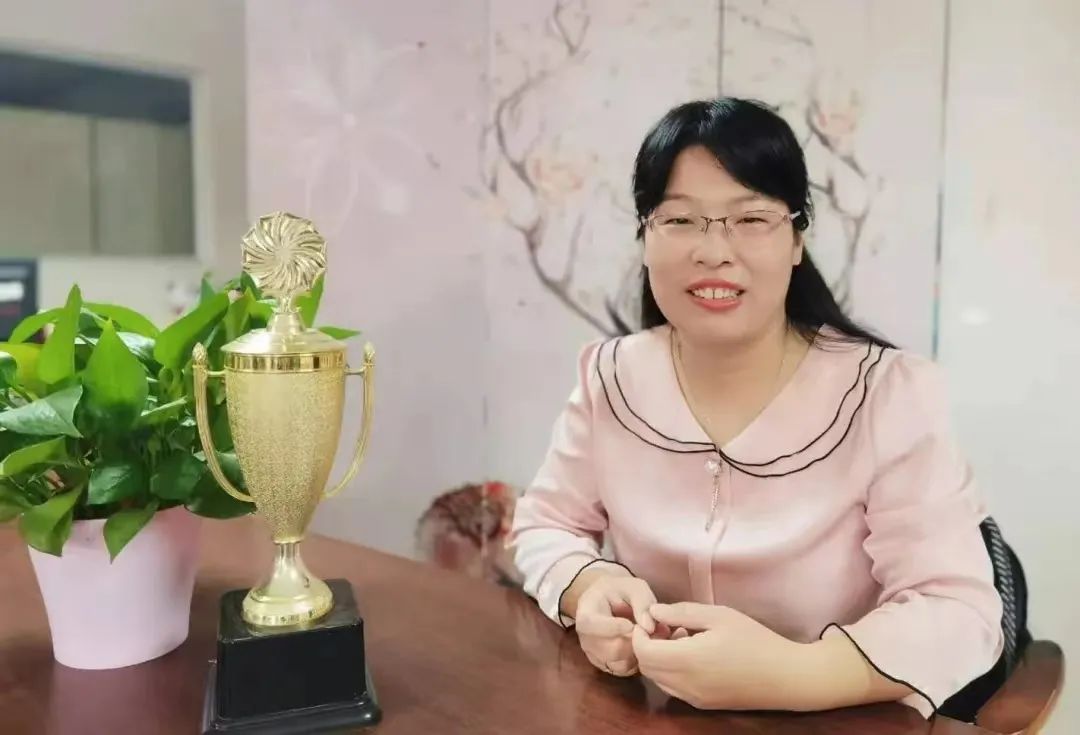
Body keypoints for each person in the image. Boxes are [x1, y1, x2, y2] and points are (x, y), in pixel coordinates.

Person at [508, 97, 1005, 720]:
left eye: (751, 219)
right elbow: (545, 524)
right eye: (680, 220)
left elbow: (957, 608)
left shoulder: (888, 394)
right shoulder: (609, 377)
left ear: (796, 240)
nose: (714, 251)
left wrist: (795, 674)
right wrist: (591, 588)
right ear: (644, 237)